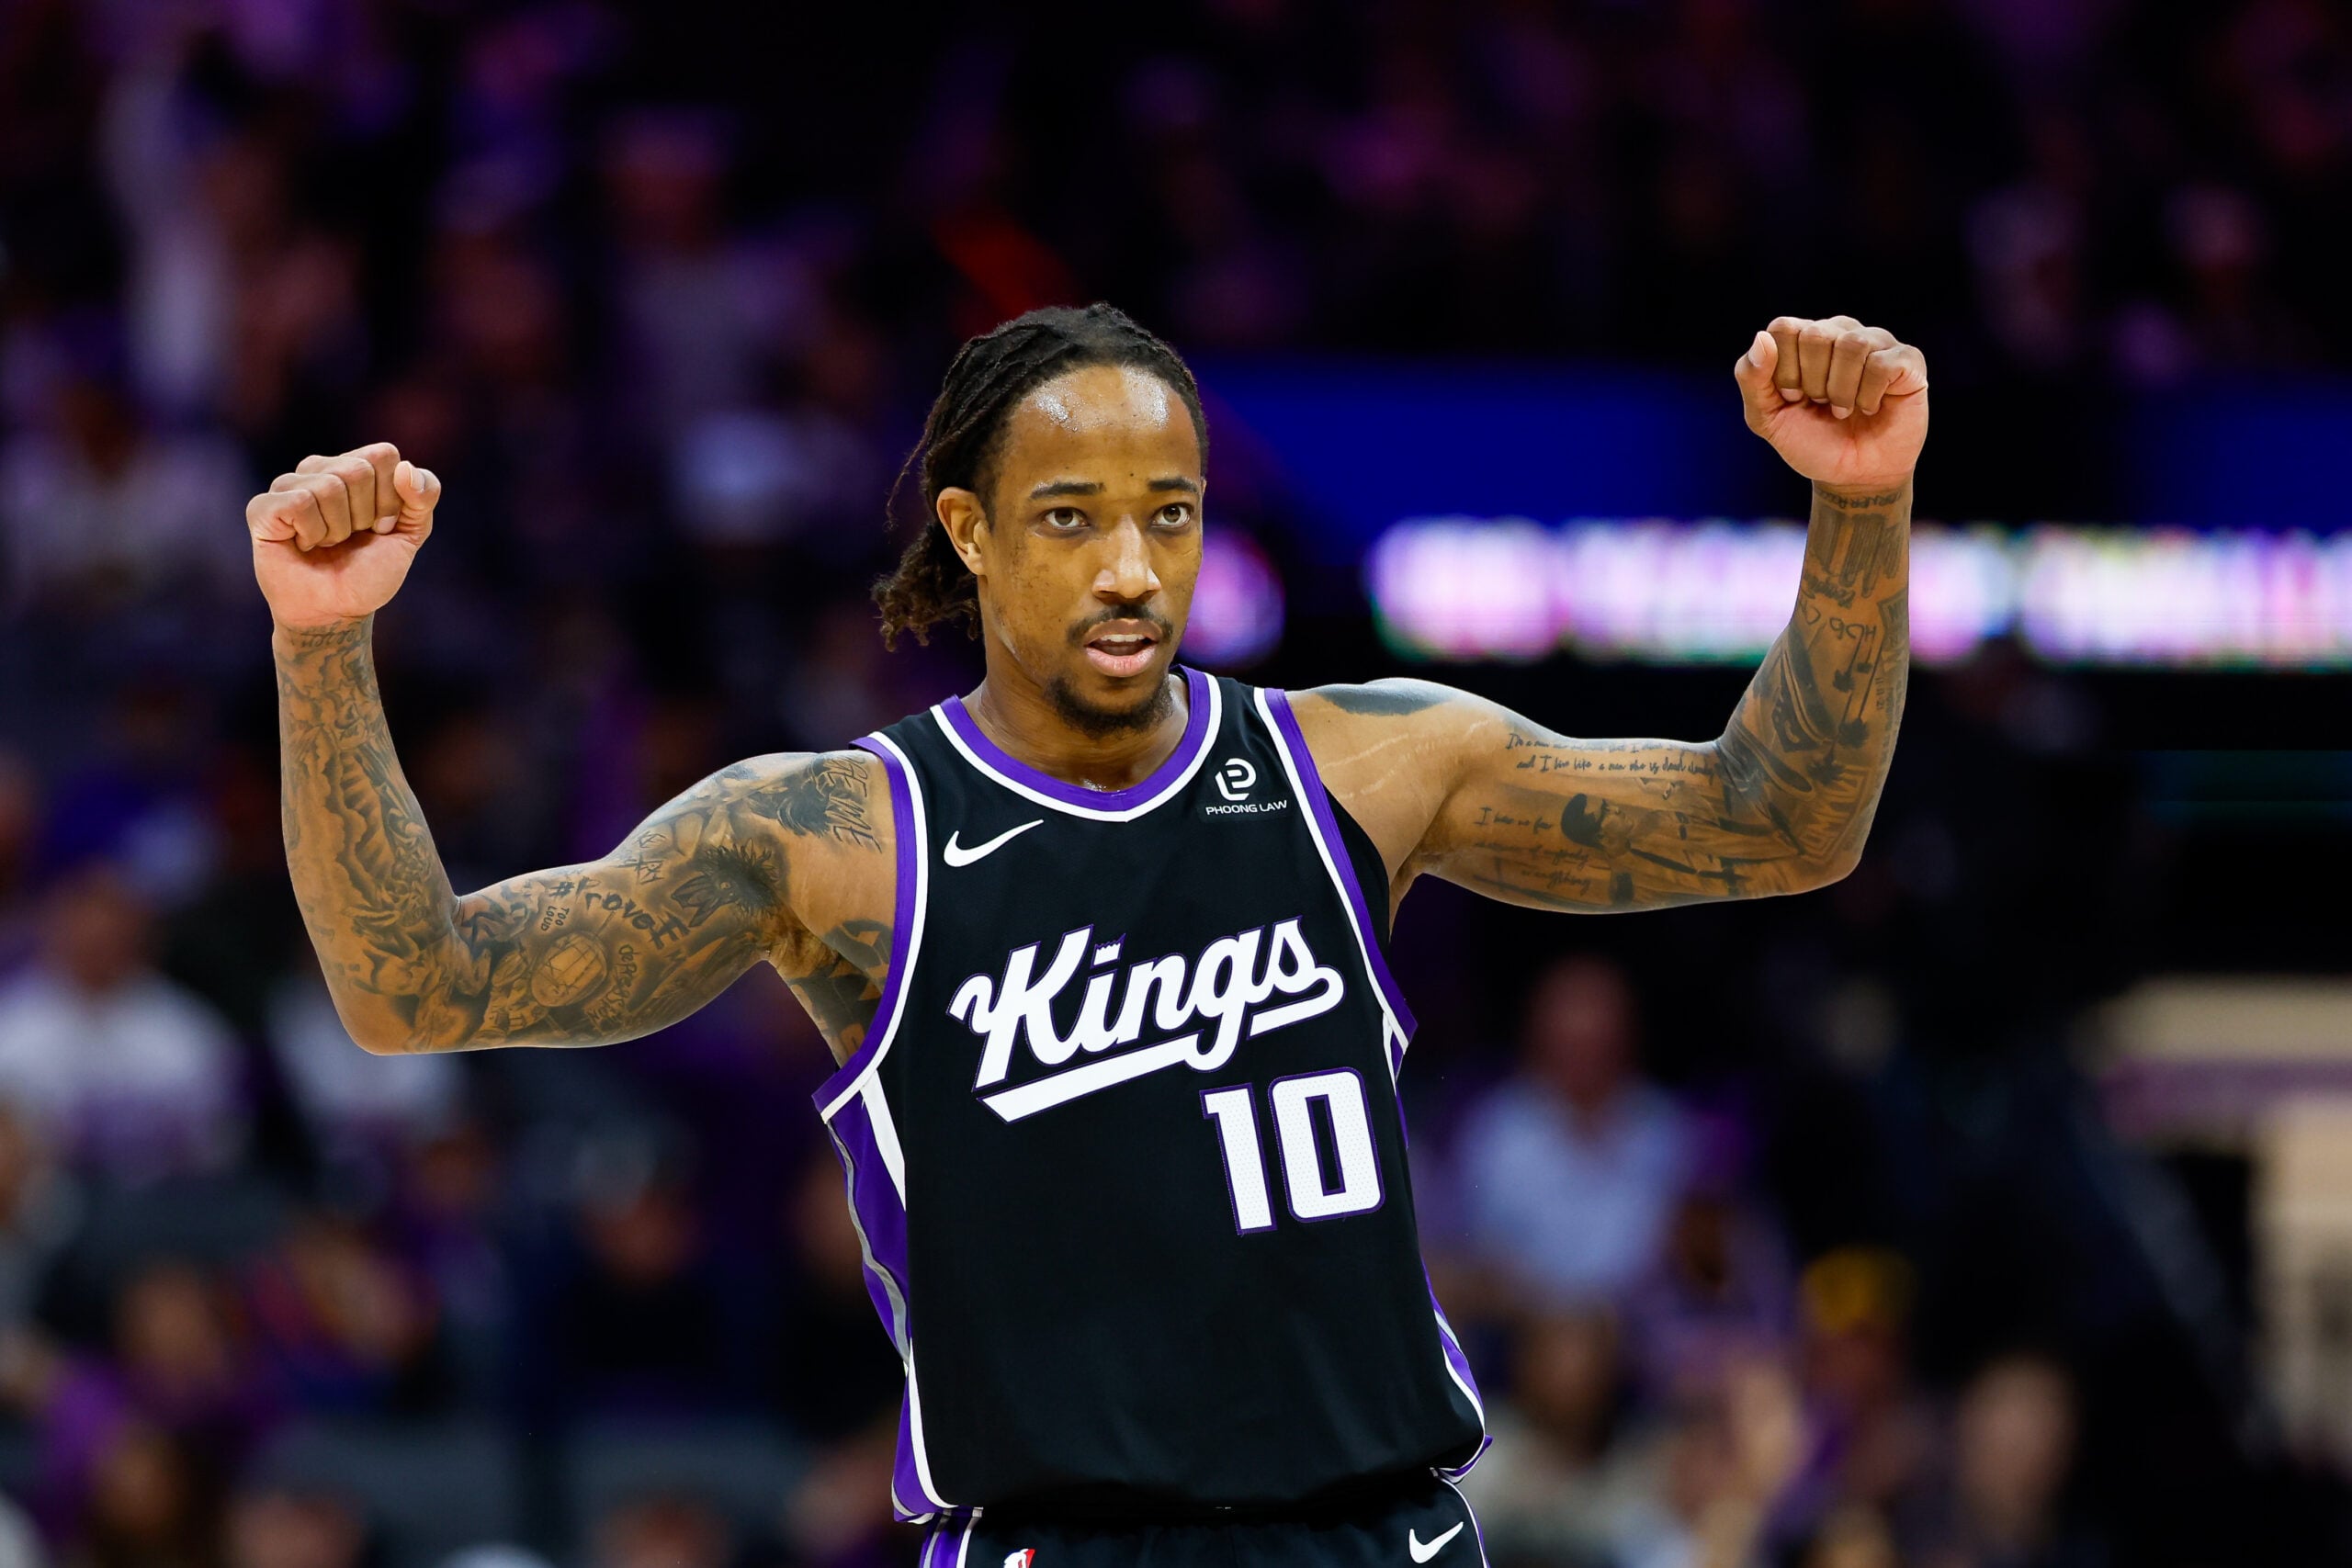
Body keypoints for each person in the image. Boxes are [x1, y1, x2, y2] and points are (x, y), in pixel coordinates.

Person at [247, 303, 1924, 1565]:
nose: (1132, 568)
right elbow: (419, 986)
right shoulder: (841, 839)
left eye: (1170, 513)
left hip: (1383, 1533)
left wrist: (1861, 510)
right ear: (969, 533)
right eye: (1071, 518)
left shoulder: (1367, 761)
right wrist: (324, 649)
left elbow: (1775, 821)